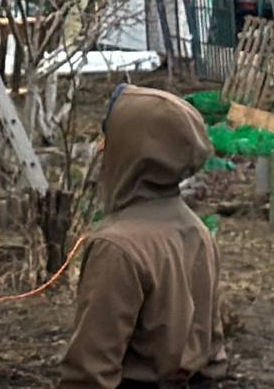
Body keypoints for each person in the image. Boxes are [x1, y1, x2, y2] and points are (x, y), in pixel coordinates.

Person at [58, 86, 226, 389]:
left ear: (131, 151)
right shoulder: (198, 231)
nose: (100, 149)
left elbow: (89, 373)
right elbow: (211, 353)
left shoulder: (117, 246)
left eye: (108, 139)